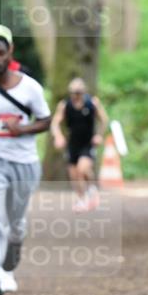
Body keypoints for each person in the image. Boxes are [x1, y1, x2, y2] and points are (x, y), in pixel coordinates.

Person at [0, 25, 51, 295]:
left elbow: (46, 120)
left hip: (24, 162)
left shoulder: (30, 87)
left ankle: (8, 266)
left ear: (10, 54)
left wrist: (24, 129)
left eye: (0, 53)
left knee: (16, 225)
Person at [51, 78, 108, 212]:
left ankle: (92, 188)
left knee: (82, 169)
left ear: (84, 92)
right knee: (73, 175)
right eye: (74, 93)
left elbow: (104, 120)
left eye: (79, 93)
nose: (76, 96)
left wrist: (99, 135)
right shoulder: (64, 105)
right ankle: (82, 199)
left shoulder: (92, 103)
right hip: (72, 144)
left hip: (87, 143)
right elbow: (55, 123)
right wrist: (58, 136)